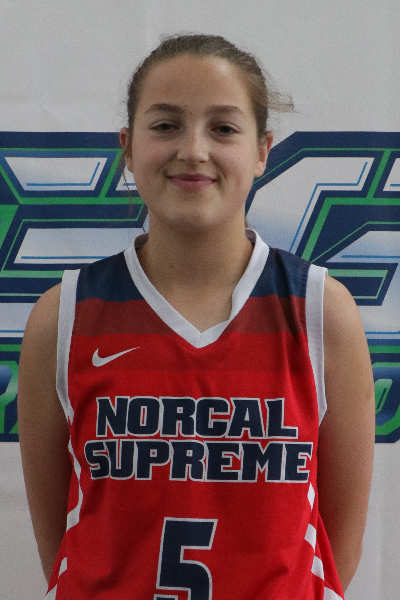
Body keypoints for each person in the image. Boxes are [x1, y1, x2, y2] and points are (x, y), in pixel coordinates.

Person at [18, 34, 375, 600]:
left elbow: (337, 555)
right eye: (165, 126)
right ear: (127, 148)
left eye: (223, 128)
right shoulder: (62, 317)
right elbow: (60, 543)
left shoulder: (321, 311)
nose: (193, 150)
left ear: (262, 151)